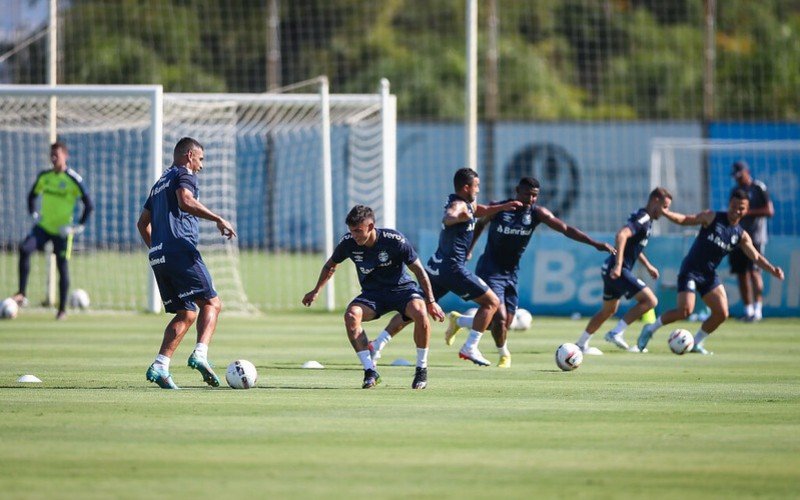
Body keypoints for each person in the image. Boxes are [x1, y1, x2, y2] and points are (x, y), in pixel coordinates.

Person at [446, 177, 614, 367]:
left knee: (503, 323)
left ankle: (459, 321)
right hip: (490, 270)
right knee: (499, 318)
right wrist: (469, 249)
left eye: (535, 196)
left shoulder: (536, 213)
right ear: (517, 190)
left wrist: (594, 243)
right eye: (527, 194)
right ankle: (503, 354)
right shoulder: (499, 208)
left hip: (511, 273)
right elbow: (480, 224)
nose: (531, 199)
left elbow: (566, 228)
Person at [369, 168, 523, 368]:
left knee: (416, 309)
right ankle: (470, 346)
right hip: (453, 269)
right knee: (492, 302)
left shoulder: (467, 203)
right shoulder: (459, 205)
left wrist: (502, 207)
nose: (478, 189)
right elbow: (449, 216)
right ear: (466, 187)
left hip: (437, 266)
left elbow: (479, 210)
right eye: (476, 185)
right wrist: (457, 218)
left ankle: (377, 344)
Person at [302, 205, 445, 389]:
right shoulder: (348, 243)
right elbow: (331, 265)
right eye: (352, 231)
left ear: (370, 227)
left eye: (358, 231)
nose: (354, 235)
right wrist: (316, 290)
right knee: (351, 315)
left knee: (420, 311)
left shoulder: (395, 240)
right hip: (373, 295)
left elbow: (418, 270)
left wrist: (431, 301)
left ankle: (421, 369)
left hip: (402, 290)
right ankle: (370, 371)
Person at [136, 137, 237, 389]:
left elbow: (141, 224)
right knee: (213, 303)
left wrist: (159, 250)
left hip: (159, 256)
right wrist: (218, 219)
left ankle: (160, 365)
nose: (201, 166)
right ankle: (200, 354)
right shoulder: (185, 174)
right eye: (200, 159)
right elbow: (185, 200)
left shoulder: (159, 183)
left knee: (188, 312)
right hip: (180, 249)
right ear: (189, 155)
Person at [636, 190, 784, 355]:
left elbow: (755, 256)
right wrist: (666, 213)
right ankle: (650, 329)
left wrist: (772, 269)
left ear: (747, 210)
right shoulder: (712, 217)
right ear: (729, 205)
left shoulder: (741, 235)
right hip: (691, 270)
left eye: (741, 208)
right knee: (685, 311)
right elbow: (686, 220)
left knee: (722, 313)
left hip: (709, 275)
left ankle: (697, 342)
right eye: (734, 206)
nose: (736, 210)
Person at [574, 188, 672, 355]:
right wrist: (619, 265)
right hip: (617, 269)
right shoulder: (644, 218)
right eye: (664, 206)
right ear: (655, 200)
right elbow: (621, 235)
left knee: (608, 310)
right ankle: (616, 332)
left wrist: (648, 266)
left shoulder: (644, 218)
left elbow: (633, 246)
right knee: (650, 301)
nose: (665, 212)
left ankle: (581, 344)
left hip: (610, 268)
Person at [12, 142, 94, 320]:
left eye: (57, 155)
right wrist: (34, 214)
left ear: (65, 156)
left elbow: (89, 205)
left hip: (62, 231)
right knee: (25, 249)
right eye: (52, 155)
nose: (53, 158)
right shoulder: (45, 177)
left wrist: (78, 226)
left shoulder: (73, 179)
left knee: (62, 267)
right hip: (43, 227)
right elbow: (31, 196)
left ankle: (62, 309)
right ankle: (21, 294)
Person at [728, 161, 773, 321]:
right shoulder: (735, 190)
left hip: (756, 237)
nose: (738, 180)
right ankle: (748, 311)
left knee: (754, 272)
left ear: (747, 172)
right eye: (735, 177)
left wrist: (747, 212)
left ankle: (758, 310)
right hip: (738, 237)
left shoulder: (758, 187)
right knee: (741, 274)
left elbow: (769, 210)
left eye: (740, 176)